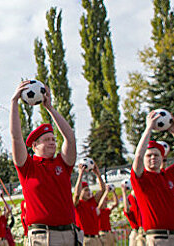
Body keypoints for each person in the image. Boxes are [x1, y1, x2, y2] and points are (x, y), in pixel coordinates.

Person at [9, 81, 78, 246]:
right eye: (46, 140)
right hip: (42, 236)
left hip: (69, 233)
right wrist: (14, 103)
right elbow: (16, 137)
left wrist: (50, 108)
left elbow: (70, 137)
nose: (52, 143)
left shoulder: (63, 163)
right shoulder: (27, 167)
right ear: (34, 146)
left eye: (53, 139)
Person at [130, 111, 174, 246]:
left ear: (162, 158)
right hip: (158, 238)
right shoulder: (141, 178)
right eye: (149, 155)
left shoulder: (169, 175)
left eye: (156, 155)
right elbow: (138, 157)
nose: (153, 158)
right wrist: (148, 129)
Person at [73, 163, 105, 246]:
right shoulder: (78, 203)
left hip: (96, 239)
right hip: (85, 240)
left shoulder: (92, 201)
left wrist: (98, 174)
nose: (89, 192)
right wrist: (80, 174)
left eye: (89, 190)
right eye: (86, 190)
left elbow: (102, 190)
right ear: (81, 191)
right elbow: (76, 194)